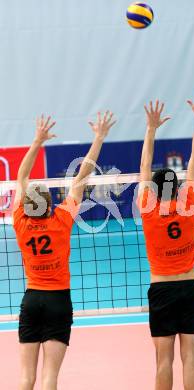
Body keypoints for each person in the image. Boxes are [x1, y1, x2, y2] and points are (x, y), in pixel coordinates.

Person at [13, 112, 116, 390]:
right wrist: (99, 137)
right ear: (49, 204)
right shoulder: (61, 219)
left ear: (27, 205)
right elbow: (83, 175)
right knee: (50, 377)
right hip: (59, 301)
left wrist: (36, 141)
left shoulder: (20, 222)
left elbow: (21, 177)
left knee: (26, 378)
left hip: (32, 300)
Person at [137, 89, 194, 390]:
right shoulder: (188, 205)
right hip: (188, 286)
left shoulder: (147, 207)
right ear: (178, 186)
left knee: (163, 361)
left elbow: (145, 166)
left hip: (161, 288)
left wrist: (151, 128)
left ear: (155, 190)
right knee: (191, 359)